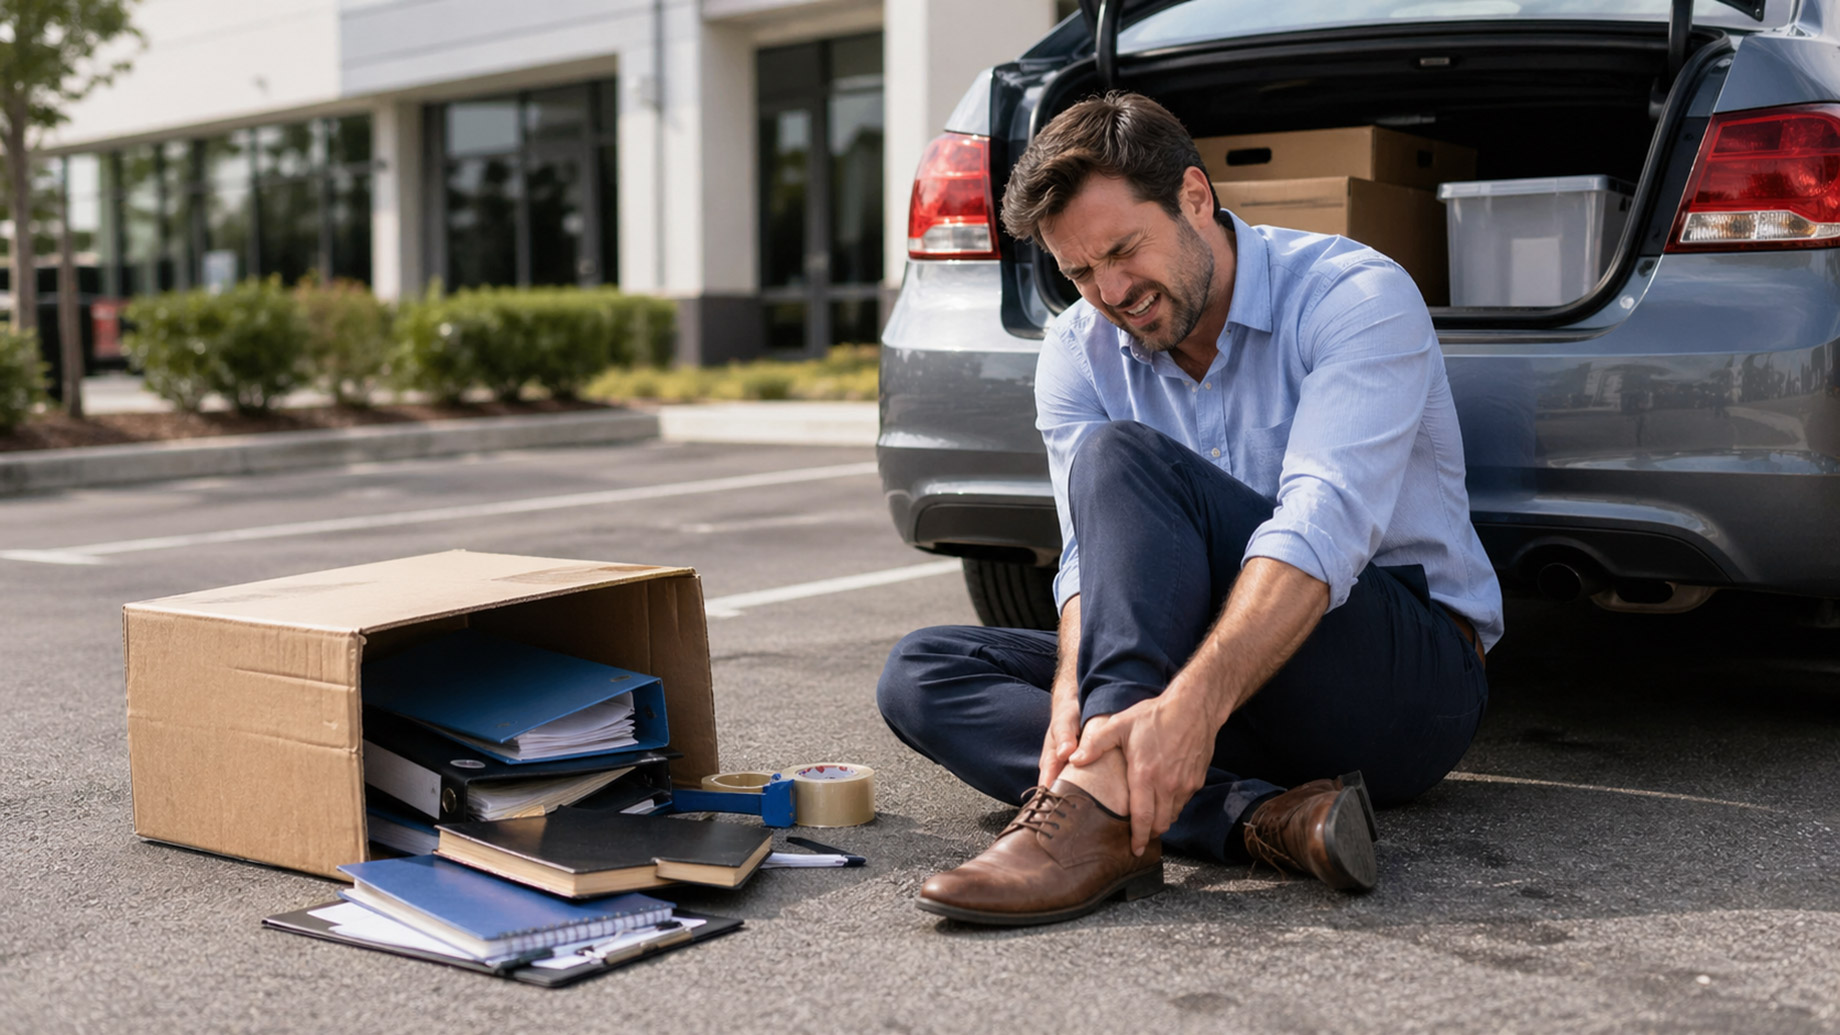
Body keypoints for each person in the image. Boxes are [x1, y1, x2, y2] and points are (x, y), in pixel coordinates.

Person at [876, 92, 1503, 927]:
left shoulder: (1353, 295)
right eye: (1080, 273)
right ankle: (1261, 819)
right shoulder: (1077, 349)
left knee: (1123, 456)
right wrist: (1074, 691)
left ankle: (1097, 807)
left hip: (1392, 680)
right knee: (923, 673)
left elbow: (1322, 529)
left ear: (1196, 199)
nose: (1111, 291)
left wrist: (1185, 708)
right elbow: (1085, 561)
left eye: (1123, 250)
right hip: (1211, 683)